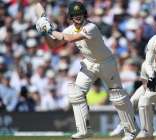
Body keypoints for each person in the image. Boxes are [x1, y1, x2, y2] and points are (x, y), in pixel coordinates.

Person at [35, 2, 137, 140]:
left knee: (118, 96)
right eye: (75, 15)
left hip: (106, 63)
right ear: (70, 17)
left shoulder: (91, 27)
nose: (78, 17)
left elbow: (70, 39)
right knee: (76, 93)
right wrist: (44, 33)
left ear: (85, 14)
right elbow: (54, 45)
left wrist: (50, 30)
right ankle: (84, 131)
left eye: (80, 14)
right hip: (89, 64)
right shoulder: (70, 29)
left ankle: (130, 131)